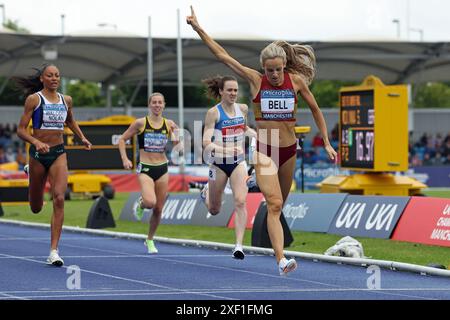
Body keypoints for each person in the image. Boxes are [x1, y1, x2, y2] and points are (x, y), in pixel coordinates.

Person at [187, 7, 337, 275]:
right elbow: (223, 56)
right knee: (275, 203)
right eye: (270, 70)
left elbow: (316, 109)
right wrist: (198, 28)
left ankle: (256, 182)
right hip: (265, 148)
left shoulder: (297, 81)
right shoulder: (256, 81)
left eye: (278, 70)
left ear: (284, 67)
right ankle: (281, 260)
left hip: (290, 150)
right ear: (263, 69)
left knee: (279, 206)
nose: (275, 75)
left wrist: (326, 141)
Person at [16, 64, 92, 267]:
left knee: (59, 198)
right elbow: (21, 130)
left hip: (58, 153)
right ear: (42, 78)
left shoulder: (66, 100)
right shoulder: (34, 99)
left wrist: (82, 138)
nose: (54, 78)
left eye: (57, 75)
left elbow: (70, 122)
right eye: (50, 75)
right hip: (38, 155)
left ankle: (54, 251)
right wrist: (36, 142)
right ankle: (30, 172)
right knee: (36, 207)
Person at [200, 75, 257, 259]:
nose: (233, 93)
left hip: (238, 162)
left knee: (240, 201)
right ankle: (205, 193)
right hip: (218, 163)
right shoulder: (213, 113)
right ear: (221, 91)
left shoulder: (243, 108)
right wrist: (226, 149)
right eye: (230, 90)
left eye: (235, 90)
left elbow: (244, 128)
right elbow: (205, 142)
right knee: (214, 210)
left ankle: (238, 246)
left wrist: (256, 135)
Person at [118, 92, 179, 254]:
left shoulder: (169, 123)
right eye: (154, 102)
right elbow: (122, 140)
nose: (157, 105)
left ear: (164, 105)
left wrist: (176, 132)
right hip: (145, 167)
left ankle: (150, 240)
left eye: (160, 102)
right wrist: (125, 159)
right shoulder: (140, 123)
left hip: (162, 168)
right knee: (150, 203)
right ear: (149, 105)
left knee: (158, 209)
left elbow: (177, 143)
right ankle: (141, 203)